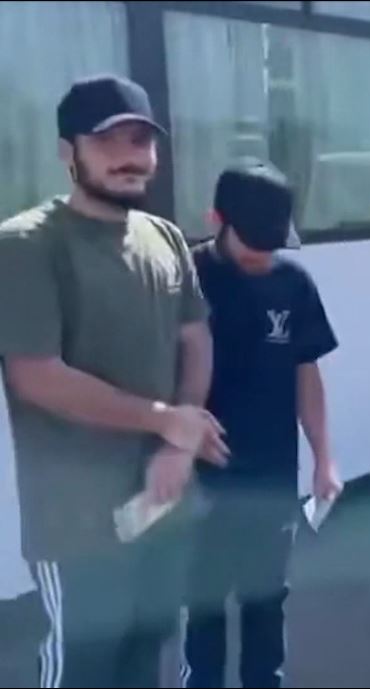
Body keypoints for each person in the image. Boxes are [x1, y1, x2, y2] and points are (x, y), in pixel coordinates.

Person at [0, 74, 225, 688]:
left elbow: (195, 340)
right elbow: (36, 377)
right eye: (108, 142)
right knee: (82, 670)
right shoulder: (26, 245)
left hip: (165, 509)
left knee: (146, 663)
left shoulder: (165, 236)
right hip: (77, 527)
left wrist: (178, 444)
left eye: (141, 141)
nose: (131, 157)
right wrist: (165, 420)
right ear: (66, 152)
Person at [181, 161, 341, 688]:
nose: (263, 254)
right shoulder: (186, 279)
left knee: (267, 603)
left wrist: (324, 457)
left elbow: (306, 373)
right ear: (217, 220)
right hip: (201, 483)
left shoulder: (293, 284)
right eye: (253, 241)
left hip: (271, 477)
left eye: (272, 242)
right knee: (203, 606)